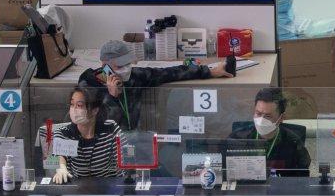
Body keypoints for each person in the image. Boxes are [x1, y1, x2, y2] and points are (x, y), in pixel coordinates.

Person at [80, 39, 232, 131]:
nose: (126, 69)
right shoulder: (88, 85)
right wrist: (112, 97)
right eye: (120, 65)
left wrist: (207, 71)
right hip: (104, 146)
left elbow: (168, 73)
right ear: (104, 65)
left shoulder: (134, 76)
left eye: (127, 63)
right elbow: (97, 126)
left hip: (134, 141)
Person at [35, 85, 123, 181]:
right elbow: (60, 157)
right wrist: (61, 168)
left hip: (107, 190)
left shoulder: (110, 128)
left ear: (95, 110)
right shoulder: (64, 133)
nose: (74, 109)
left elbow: (125, 159)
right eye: (72, 104)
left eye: (79, 105)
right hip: (78, 190)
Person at [228, 88, 311, 174]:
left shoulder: (293, 143)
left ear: (281, 118)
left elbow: (302, 178)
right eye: (258, 113)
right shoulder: (237, 138)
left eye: (268, 116)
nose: (261, 120)